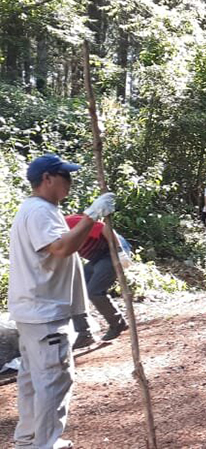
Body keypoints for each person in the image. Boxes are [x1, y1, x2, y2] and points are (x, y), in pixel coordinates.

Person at [8, 154, 116, 449]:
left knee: (33, 381)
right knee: (54, 382)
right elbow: (61, 247)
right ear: (48, 179)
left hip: (33, 310)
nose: (70, 182)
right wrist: (91, 216)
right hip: (45, 312)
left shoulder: (34, 209)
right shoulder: (40, 211)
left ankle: (29, 441)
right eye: (65, 176)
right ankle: (44, 444)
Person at [65, 214, 130, 347]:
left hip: (111, 251)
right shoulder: (48, 236)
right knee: (74, 288)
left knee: (94, 291)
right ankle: (84, 333)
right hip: (96, 257)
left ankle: (117, 323)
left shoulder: (68, 223)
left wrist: (119, 251)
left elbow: (103, 227)